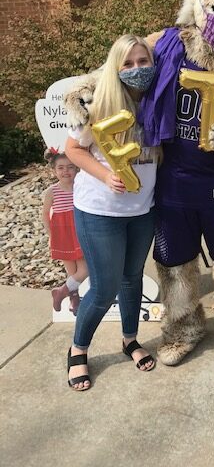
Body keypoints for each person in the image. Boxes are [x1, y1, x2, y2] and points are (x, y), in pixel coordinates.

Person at [65, 34, 158, 391]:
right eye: (128, 63)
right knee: (103, 288)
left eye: (143, 61)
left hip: (142, 210)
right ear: (115, 68)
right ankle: (78, 349)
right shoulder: (98, 103)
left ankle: (129, 340)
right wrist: (106, 175)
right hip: (99, 210)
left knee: (132, 278)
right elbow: (73, 150)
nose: (137, 69)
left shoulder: (157, 102)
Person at [42, 149, 88, 316]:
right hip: (62, 235)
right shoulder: (52, 191)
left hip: (79, 232)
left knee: (84, 270)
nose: (65, 171)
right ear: (54, 170)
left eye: (70, 167)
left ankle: (61, 291)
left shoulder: (80, 186)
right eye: (60, 168)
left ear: (76, 168)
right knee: (71, 271)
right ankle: (74, 300)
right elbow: (45, 215)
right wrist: (51, 236)